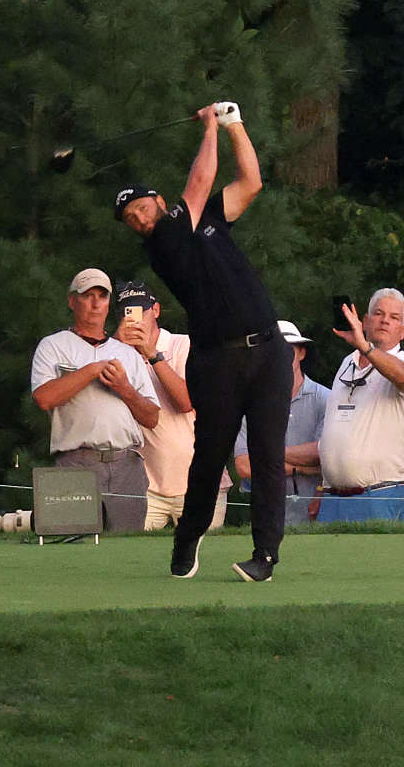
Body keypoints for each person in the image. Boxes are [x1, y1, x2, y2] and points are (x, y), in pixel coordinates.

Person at [113, 101, 291, 583]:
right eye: (130, 218)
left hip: (269, 349)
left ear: (157, 200)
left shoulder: (206, 218)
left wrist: (235, 124)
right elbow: (199, 181)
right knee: (210, 455)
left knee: (269, 455)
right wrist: (210, 126)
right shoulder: (164, 242)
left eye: (142, 208)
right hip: (217, 360)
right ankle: (187, 541)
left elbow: (250, 182)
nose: (139, 219)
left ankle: (265, 556)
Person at [30, 269, 160, 532]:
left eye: (102, 296)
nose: (95, 303)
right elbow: (44, 398)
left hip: (126, 465)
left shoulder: (128, 353)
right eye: (87, 295)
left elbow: (152, 417)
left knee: (127, 550)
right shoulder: (53, 345)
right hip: (76, 461)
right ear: (72, 301)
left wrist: (125, 388)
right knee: (73, 546)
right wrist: (91, 371)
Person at [112, 280, 230, 531]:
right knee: (134, 557)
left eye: (139, 311)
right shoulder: (117, 351)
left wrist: (153, 354)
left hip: (199, 480)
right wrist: (116, 345)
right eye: (126, 312)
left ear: (155, 310)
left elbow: (187, 401)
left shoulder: (184, 344)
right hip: (146, 485)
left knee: (203, 556)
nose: (134, 320)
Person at [316, 288, 404, 523]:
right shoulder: (347, 362)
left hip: (382, 494)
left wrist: (365, 346)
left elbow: (402, 377)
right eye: (378, 313)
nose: (385, 320)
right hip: (333, 497)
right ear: (364, 321)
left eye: (394, 317)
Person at [232, 321, 331, 528]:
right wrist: (304, 468)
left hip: (314, 513)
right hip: (264, 515)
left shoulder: (327, 399)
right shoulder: (250, 403)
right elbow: (244, 466)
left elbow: (322, 454)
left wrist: (265, 453)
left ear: (301, 353)